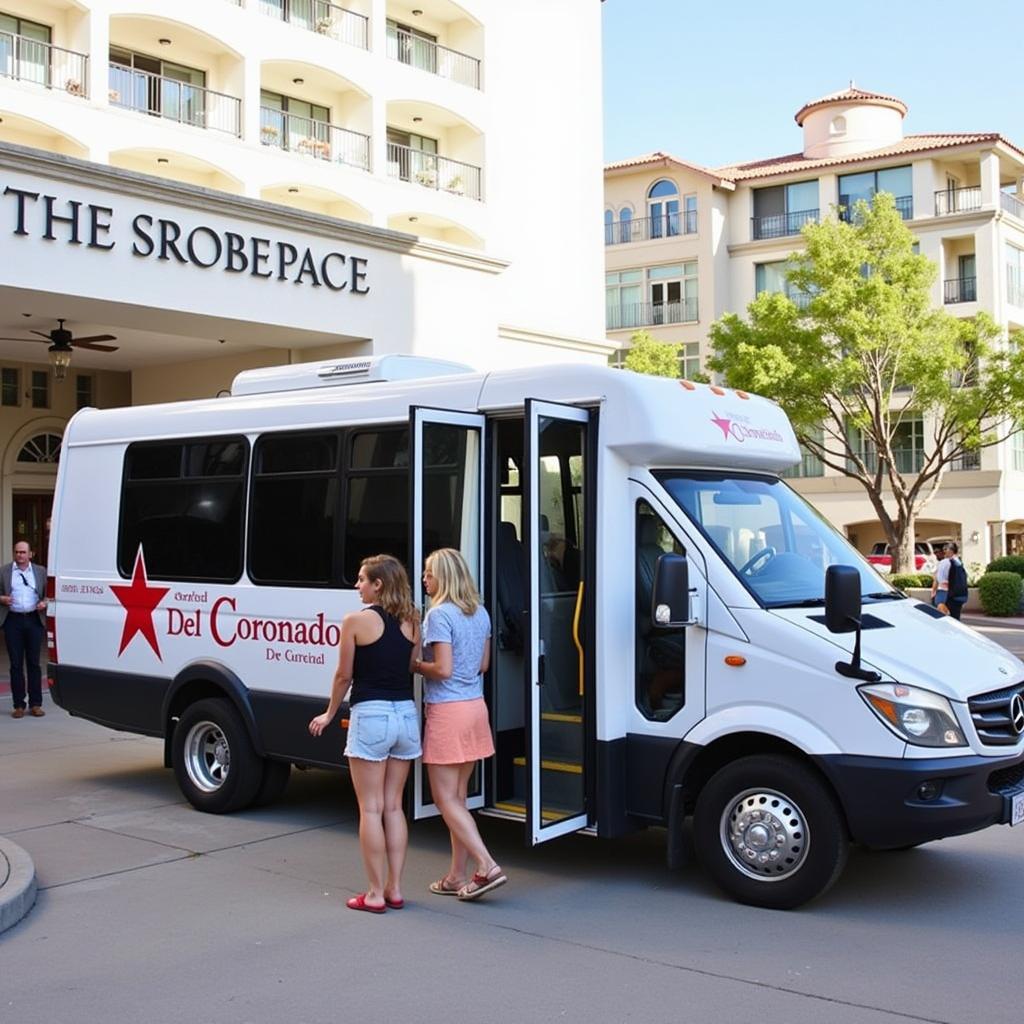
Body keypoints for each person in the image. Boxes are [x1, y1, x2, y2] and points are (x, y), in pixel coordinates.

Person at [309, 554, 421, 914]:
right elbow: (409, 666)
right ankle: (396, 888)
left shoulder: (355, 621)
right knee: (393, 806)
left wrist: (328, 713)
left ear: (379, 584)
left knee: (370, 808)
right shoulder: (412, 621)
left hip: (371, 714)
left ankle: (373, 893)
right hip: (405, 715)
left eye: (361, 580)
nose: (357, 585)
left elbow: (344, 676)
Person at [415, 548, 507, 901]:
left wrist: (415, 665)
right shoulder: (480, 612)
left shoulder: (438, 615)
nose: (425, 579)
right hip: (474, 708)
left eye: (429, 573)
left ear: (445, 578)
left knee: (443, 799)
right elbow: (483, 665)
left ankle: (486, 865)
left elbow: (442, 669)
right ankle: (456, 875)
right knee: (458, 799)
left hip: (447, 711)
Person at [2, 540, 48, 719]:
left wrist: (44, 602)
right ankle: (18, 705)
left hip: (33, 620)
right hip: (13, 620)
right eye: (17, 552)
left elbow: (48, 594)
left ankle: (36, 704)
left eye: (23, 552)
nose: (20, 555)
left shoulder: (40, 571)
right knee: (15, 664)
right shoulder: (5, 571)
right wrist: (3, 599)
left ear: (30, 554)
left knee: (34, 663)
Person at [934, 542, 968, 620]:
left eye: (946, 549)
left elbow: (941, 578)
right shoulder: (959, 563)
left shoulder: (947, 562)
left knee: (944, 618)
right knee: (955, 618)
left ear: (951, 551)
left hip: (948, 593)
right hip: (959, 594)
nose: (944, 551)